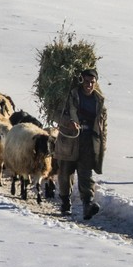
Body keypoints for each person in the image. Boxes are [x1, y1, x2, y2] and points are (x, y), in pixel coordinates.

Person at [54, 68, 108, 219]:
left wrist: (102, 145)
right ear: (81, 80)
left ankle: (87, 205)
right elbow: (56, 114)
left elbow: (103, 126)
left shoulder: (99, 102)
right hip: (69, 140)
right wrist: (68, 122)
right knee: (65, 172)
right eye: (86, 81)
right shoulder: (70, 96)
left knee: (85, 174)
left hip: (89, 142)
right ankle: (65, 204)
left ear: (95, 83)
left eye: (92, 82)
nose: (89, 85)